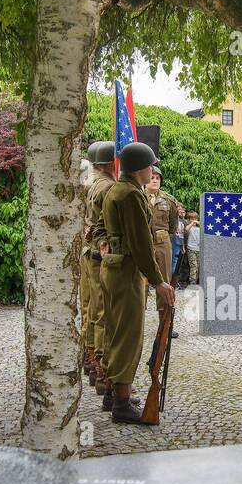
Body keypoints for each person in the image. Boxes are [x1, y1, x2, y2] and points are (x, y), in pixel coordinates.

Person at [100, 142, 175, 423]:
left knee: (115, 332)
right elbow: (141, 244)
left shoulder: (118, 191)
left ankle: (115, 390)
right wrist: (158, 281)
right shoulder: (130, 195)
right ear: (141, 168)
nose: (152, 171)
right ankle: (121, 402)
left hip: (115, 269)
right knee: (127, 336)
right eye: (150, 166)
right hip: (127, 271)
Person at [83, 142, 117, 395]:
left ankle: (91, 362)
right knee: (104, 313)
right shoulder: (107, 188)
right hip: (100, 255)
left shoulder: (90, 184)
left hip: (89, 252)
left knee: (90, 309)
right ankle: (103, 373)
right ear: (110, 162)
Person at [146, 164, 182, 337]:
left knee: (165, 282)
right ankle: (135, 325)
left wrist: (163, 236)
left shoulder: (168, 200)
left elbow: (173, 225)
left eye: (157, 178)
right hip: (142, 244)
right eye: (152, 177)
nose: (154, 180)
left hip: (162, 244)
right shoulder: (137, 196)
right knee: (139, 284)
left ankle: (165, 324)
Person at [184, 210, 201, 285]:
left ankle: (197, 280)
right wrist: (192, 223)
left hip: (199, 249)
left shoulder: (199, 228)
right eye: (191, 218)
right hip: (191, 249)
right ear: (188, 220)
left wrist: (199, 223)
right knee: (194, 265)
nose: (193, 220)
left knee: (198, 266)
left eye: (195, 218)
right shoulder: (189, 227)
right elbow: (186, 229)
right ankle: (192, 281)